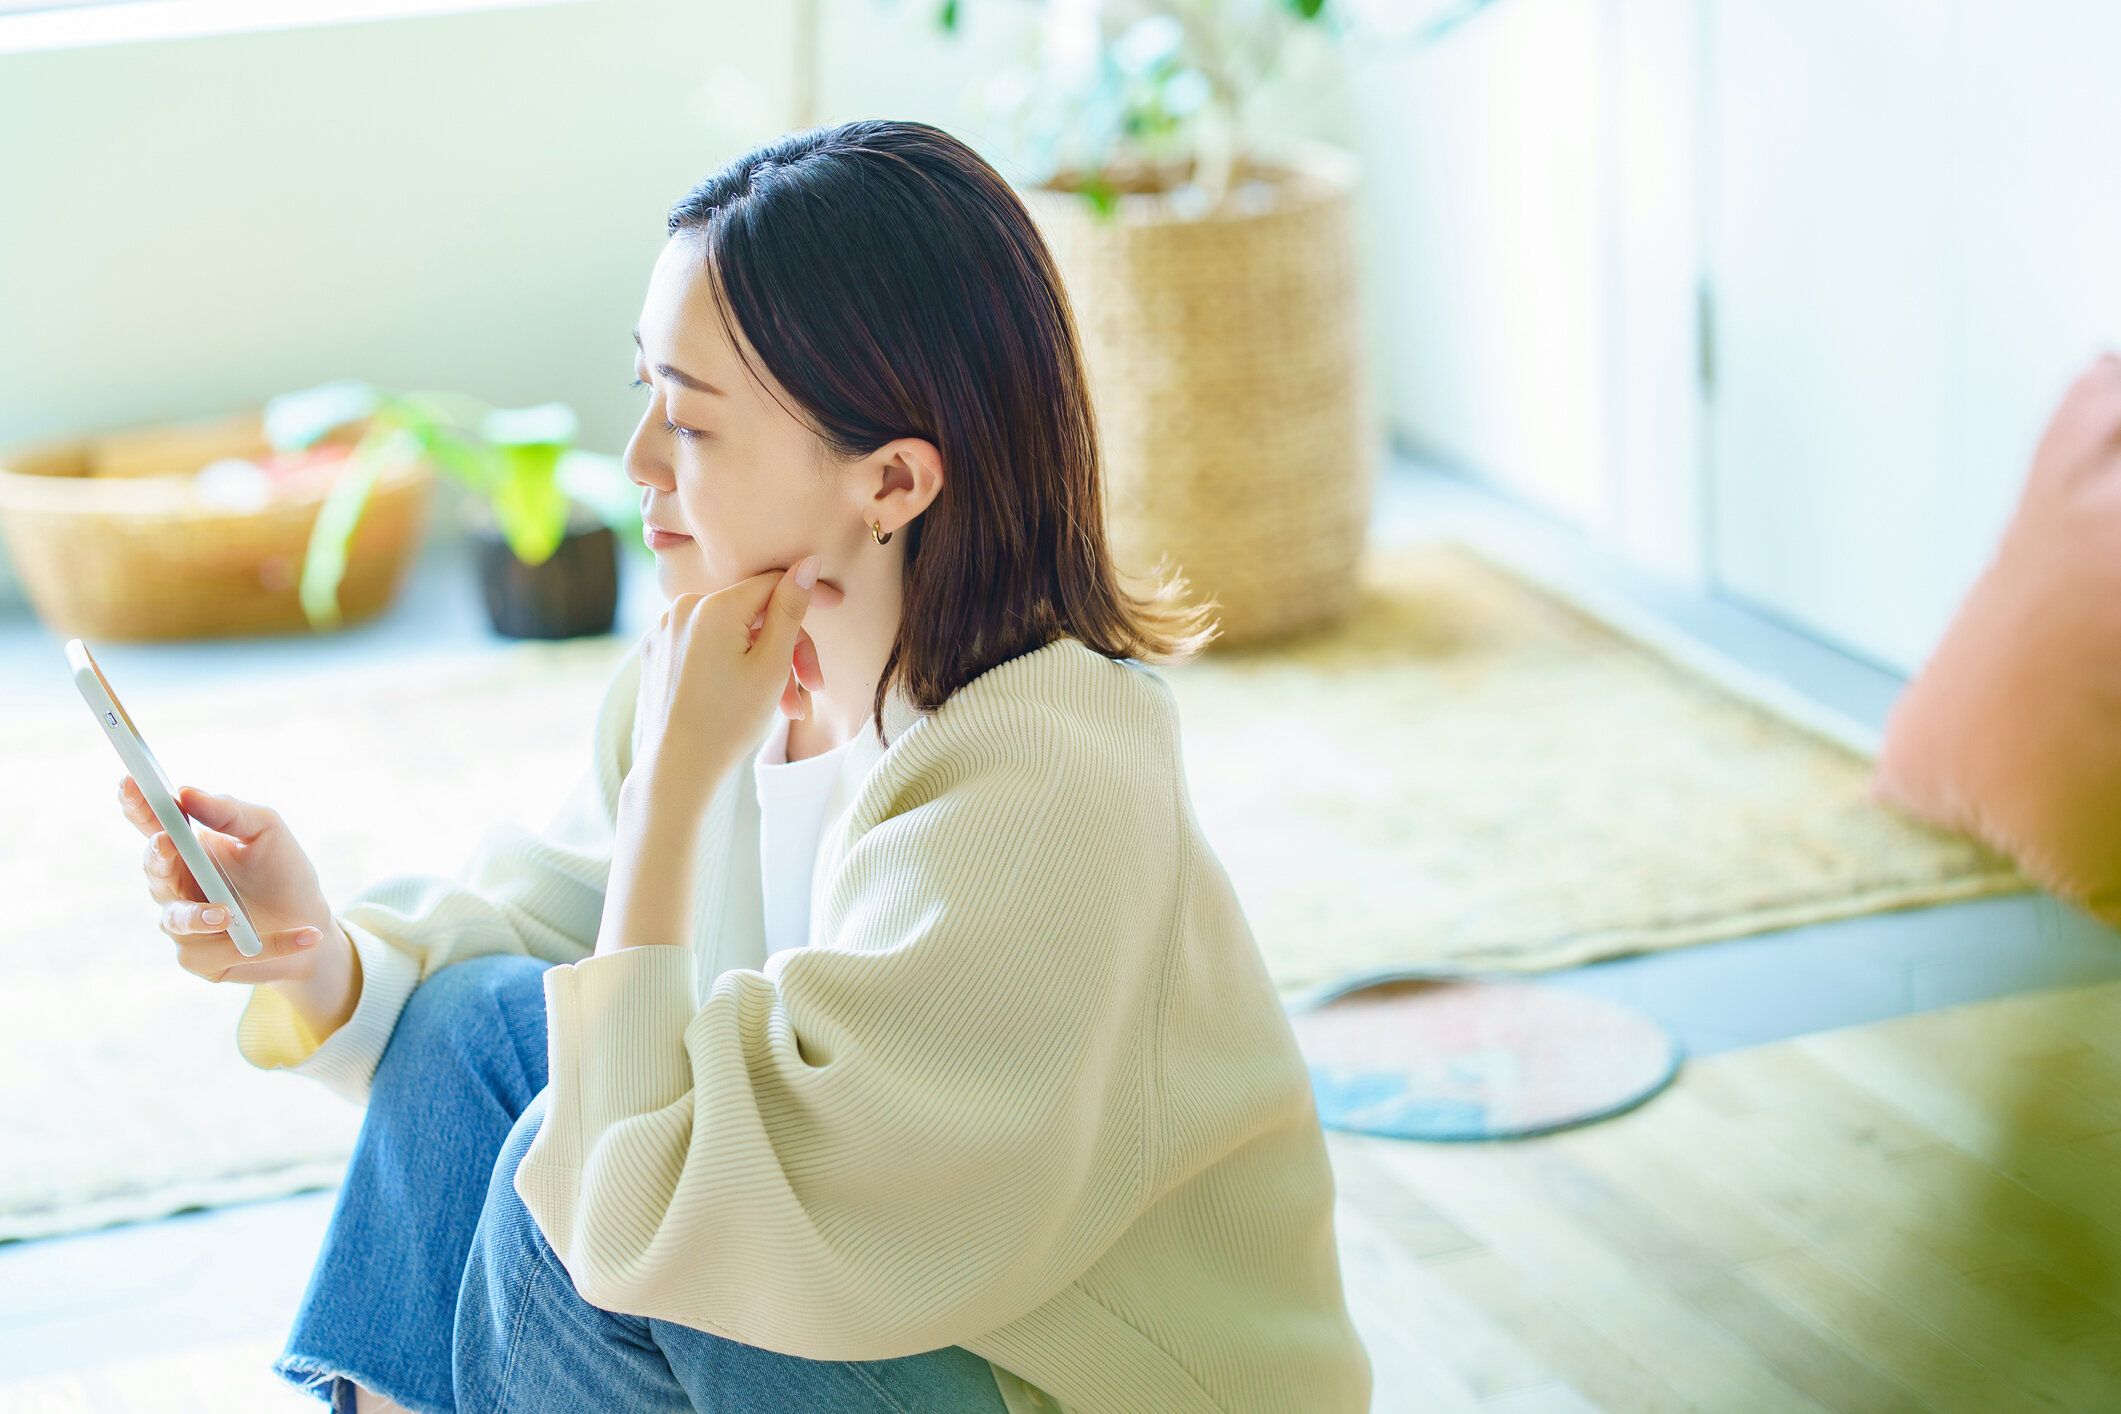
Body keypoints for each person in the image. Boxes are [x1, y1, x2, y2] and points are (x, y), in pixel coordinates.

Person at [120, 118, 1372, 1414]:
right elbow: (558, 949)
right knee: (467, 1029)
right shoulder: (708, 679)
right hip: (877, 1307)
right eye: (645, 395)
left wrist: (672, 791)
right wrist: (310, 948)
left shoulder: (1039, 784)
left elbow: (737, 1209)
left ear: (889, 480)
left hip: (1054, 1371)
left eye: (697, 424)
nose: (639, 465)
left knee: (573, 1216)